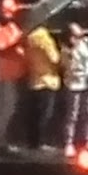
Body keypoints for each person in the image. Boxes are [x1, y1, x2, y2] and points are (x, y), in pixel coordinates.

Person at [0, 0, 27, 151]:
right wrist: (17, 42)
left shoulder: (13, 27)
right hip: (3, 75)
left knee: (10, 108)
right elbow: (0, 49)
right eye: (5, 12)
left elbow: (20, 41)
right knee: (3, 108)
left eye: (10, 13)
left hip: (16, 74)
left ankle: (2, 140)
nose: (8, 15)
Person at [25, 18, 63, 149]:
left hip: (34, 79)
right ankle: (41, 142)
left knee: (34, 114)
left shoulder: (29, 37)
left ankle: (32, 142)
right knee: (46, 114)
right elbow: (54, 58)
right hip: (48, 80)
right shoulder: (45, 38)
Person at [61, 23, 88, 158]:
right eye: (75, 35)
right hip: (74, 83)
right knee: (72, 114)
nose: (78, 38)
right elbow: (69, 67)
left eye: (79, 34)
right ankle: (69, 143)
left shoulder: (84, 44)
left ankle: (87, 140)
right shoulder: (66, 51)